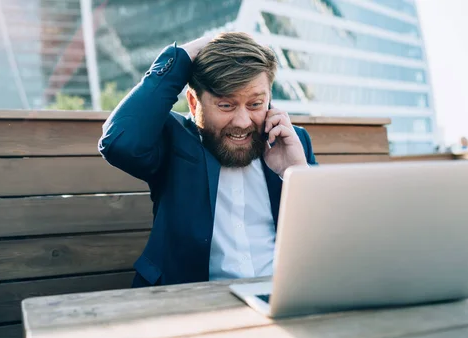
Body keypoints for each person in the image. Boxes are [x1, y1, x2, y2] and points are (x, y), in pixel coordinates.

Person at [98, 32, 317, 287]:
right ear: (193, 103)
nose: (243, 122)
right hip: (193, 304)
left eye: (256, 104)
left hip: (282, 297)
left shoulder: (292, 142)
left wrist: (297, 173)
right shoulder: (172, 141)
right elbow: (118, 143)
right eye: (226, 105)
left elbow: (330, 239)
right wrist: (184, 55)